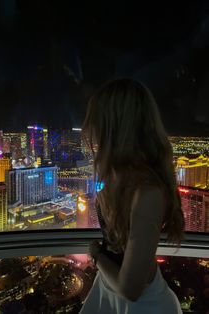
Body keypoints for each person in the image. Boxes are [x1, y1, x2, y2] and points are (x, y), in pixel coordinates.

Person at [79, 79, 184, 314]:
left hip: (142, 306)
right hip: (110, 290)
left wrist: (97, 256)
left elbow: (131, 289)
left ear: (114, 126)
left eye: (96, 120)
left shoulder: (147, 193)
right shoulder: (119, 179)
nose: (90, 129)